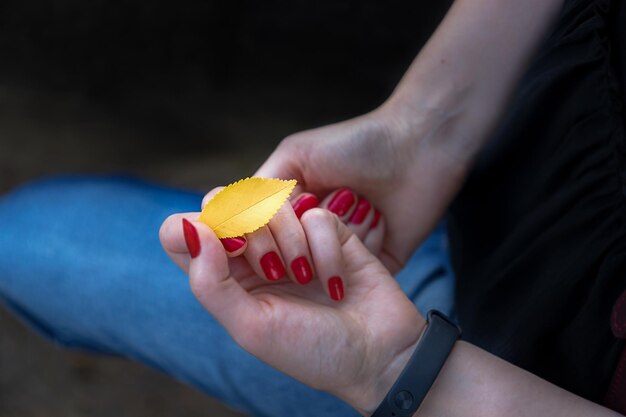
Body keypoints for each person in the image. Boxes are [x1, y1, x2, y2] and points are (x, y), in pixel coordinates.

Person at [0, 0, 624, 415]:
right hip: (476, 213)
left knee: (25, 239)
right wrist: (423, 127)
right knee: (29, 232)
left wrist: (396, 367)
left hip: (477, 379)